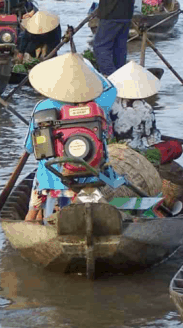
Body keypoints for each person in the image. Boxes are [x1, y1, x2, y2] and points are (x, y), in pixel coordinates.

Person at [24, 53, 117, 222]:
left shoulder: (42, 107)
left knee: (36, 198)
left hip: (50, 180)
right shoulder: (97, 106)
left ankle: (32, 220)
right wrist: (88, 69)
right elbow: (111, 88)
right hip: (89, 177)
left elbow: (30, 147)